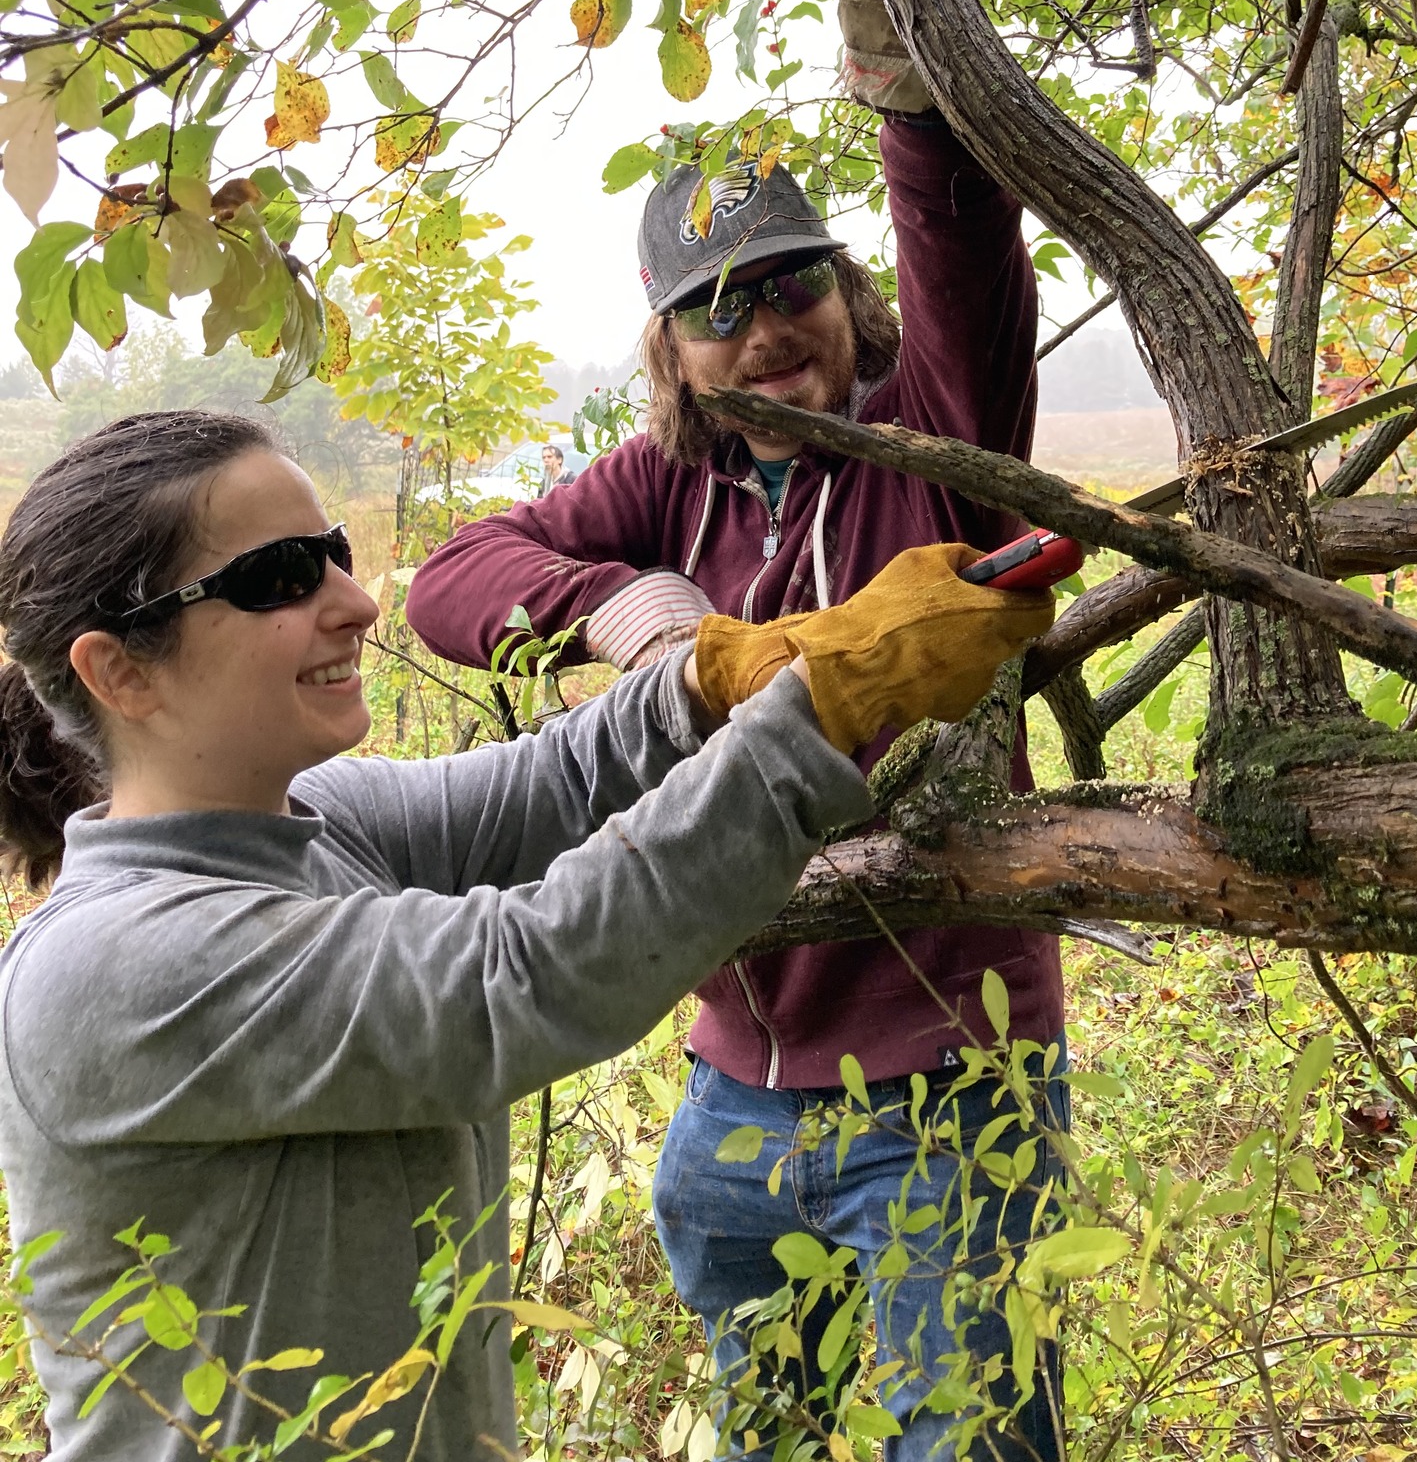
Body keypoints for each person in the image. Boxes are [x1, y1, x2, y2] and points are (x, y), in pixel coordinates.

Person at [0, 409, 1049, 1460]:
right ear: (120, 672)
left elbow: (554, 780)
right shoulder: (109, 965)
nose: (359, 603)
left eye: (336, 555)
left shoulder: (320, 821)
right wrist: (825, 703)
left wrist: (719, 673)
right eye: (280, 576)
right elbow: (524, 970)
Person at [405, 0, 1069, 1457]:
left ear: (843, 294)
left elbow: (966, 244)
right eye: (715, 305)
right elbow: (449, 580)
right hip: (730, 1100)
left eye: (790, 284)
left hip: (946, 1092)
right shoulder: (660, 485)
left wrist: (900, 40)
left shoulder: (939, 423)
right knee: (762, 1436)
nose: (764, 328)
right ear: (672, 347)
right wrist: (616, 605)